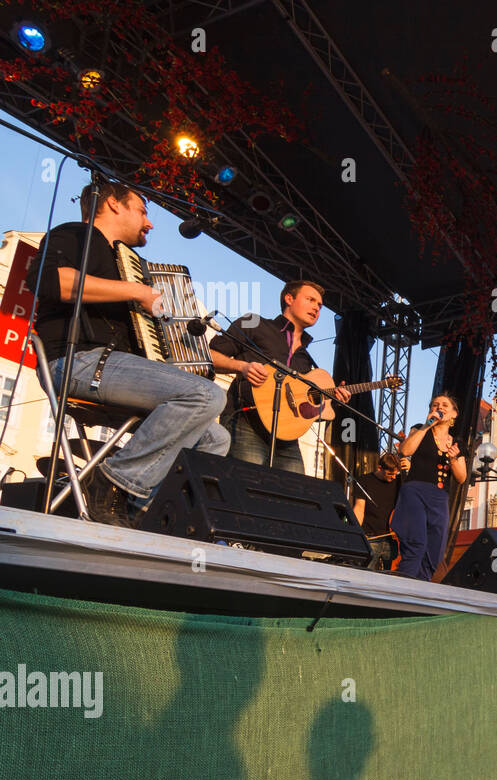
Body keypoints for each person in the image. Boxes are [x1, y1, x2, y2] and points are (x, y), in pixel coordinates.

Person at [29, 180, 230, 524]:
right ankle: (111, 483)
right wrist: (136, 291)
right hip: (76, 361)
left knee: (215, 439)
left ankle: (135, 513)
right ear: (112, 204)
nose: (149, 223)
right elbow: (53, 282)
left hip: (112, 371)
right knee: (205, 397)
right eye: (142, 210)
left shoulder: (125, 261)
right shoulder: (77, 235)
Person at [209, 279, 349, 472]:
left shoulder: (306, 360)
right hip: (246, 423)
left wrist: (328, 400)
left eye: (320, 305)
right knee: (245, 490)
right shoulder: (255, 324)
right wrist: (242, 366)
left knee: (293, 495)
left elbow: (304, 411)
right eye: (310, 300)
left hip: (287, 438)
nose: (317, 308)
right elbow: (210, 356)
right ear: (289, 298)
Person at [391, 394, 467, 580]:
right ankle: (404, 590)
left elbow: (461, 477)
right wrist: (427, 425)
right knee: (416, 543)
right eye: (435, 405)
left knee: (435, 549)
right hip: (415, 492)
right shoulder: (419, 429)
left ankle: (421, 588)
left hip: (439, 498)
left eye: (444, 405)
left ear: (454, 414)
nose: (439, 407)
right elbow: (406, 450)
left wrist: (454, 459)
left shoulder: (457, 443)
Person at [352, 452, 408, 570]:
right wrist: (356, 532)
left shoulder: (399, 482)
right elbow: (359, 508)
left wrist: (411, 469)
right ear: (380, 468)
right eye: (390, 474)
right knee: (364, 573)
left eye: (395, 474)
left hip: (392, 540)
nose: (393, 477)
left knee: (392, 576)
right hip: (370, 537)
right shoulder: (364, 480)